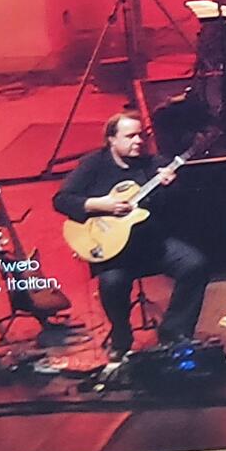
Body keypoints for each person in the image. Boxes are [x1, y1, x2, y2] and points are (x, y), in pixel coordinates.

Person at [52, 112, 208, 360]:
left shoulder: (154, 164)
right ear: (111, 140)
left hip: (151, 245)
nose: (138, 141)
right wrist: (100, 205)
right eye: (130, 136)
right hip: (113, 253)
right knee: (112, 283)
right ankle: (121, 336)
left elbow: (178, 207)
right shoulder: (94, 164)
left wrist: (172, 188)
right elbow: (61, 200)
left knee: (195, 264)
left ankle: (174, 332)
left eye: (141, 135)